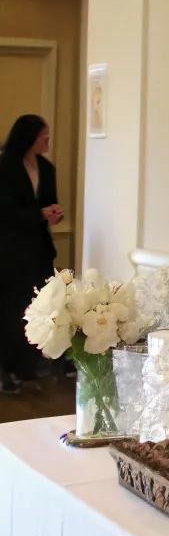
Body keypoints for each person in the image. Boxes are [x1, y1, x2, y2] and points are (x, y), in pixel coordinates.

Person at [0, 115, 64, 393]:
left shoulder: (46, 168)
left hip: (38, 249)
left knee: (36, 306)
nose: (48, 142)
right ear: (29, 137)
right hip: (10, 249)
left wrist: (54, 214)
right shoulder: (4, 165)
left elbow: (50, 203)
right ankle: (6, 368)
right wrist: (38, 214)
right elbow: (4, 210)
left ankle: (28, 366)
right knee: (9, 308)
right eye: (44, 137)